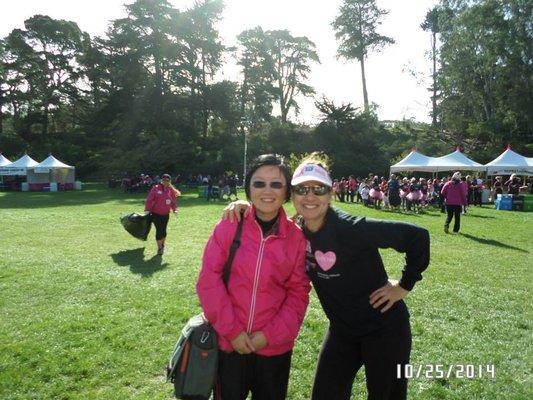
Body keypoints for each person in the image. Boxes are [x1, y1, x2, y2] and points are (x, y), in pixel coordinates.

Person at [223, 154, 430, 400]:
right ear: (292, 195)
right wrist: (246, 207)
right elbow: (267, 220)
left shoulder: (352, 228)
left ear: (331, 193)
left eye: (318, 189)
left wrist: (404, 285)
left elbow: (417, 236)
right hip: (342, 331)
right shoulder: (296, 229)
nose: (310, 196)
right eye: (302, 189)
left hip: (385, 330)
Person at [197, 154, 311, 400]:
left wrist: (268, 336)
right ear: (248, 188)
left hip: (274, 349)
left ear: (287, 191)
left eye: (276, 184)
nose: (267, 191)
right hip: (229, 346)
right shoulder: (229, 225)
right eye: (259, 183)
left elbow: (298, 293)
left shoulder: (296, 237)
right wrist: (233, 332)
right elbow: (209, 280)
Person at [144, 173, 181, 255]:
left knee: (164, 231)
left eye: (167, 180)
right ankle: (159, 248)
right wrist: (147, 210)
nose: (165, 182)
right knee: (159, 230)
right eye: (164, 180)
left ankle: (162, 245)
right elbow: (149, 199)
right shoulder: (155, 188)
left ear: (169, 181)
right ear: (161, 180)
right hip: (156, 214)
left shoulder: (170, 190)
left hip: (166, 214)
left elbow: (173, 202)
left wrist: (175, 210)